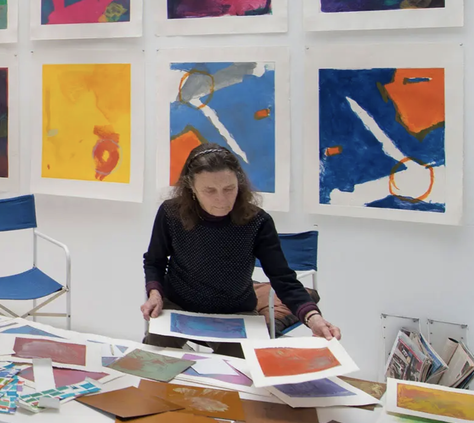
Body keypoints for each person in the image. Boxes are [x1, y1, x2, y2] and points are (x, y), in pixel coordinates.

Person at [141, 144, 341, 339]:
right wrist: (155, 293)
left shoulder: (257, 222)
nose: (221, 199)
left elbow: (283, 279)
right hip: (177, 307)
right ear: (191, 187)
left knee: (251, 361)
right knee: (154, 357)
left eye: (229, 188)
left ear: (239, 183)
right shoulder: (171, 213)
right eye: (210, 190)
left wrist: (313, 318)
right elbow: (154, 261)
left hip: (235, 313)